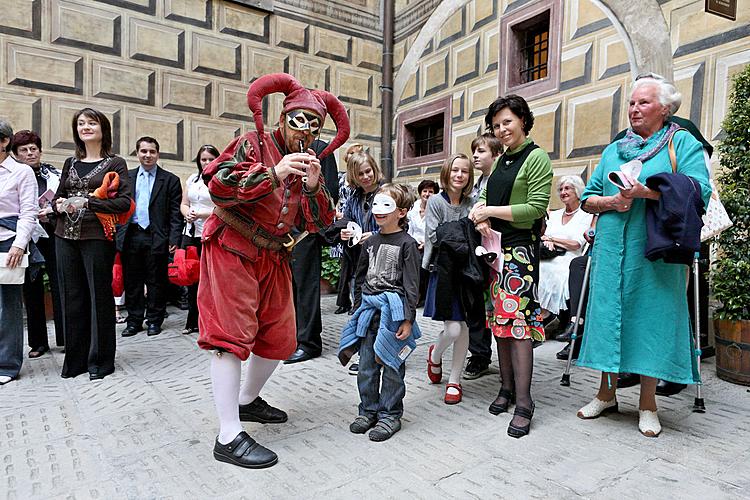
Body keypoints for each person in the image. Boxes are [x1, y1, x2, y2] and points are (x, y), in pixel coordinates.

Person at [197, 73, 345, 468]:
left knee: (281, 337)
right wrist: (275, 173)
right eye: (300, 121)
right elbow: (217, 185)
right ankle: (227, 435)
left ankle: (246, 401)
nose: (306, 133)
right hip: (232, 245)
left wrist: (313, 186)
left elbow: (319, 222)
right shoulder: (251, 142)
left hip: (274, 254)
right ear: (283, 117)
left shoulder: (312, 160)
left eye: (315, 127)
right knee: (230, 336)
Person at [575, 77, 711, 437]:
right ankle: (605, 394)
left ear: (665, 109)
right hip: (610, 247)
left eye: (643, 103)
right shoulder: (614, 149)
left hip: (655, 250)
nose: (634, 109)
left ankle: (648, 403)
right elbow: (587, 196)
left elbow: (700, 191)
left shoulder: (682, 143)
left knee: (650, 321)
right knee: (606, 318)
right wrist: (612, 202)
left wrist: (646, 193)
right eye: (632, 103)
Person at [470, 95, 553, 438]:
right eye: (496, 124)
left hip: (520, 253)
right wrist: (480, 218)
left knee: (517, 324)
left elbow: (535, 208)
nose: (502, 129)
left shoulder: (536, 158)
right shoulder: (501, 162)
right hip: (495, 252)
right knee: (498, 322)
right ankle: (505, 388)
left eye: (507, 122)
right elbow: (485, 198)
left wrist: (489, 213)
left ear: (523, 120)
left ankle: (524, 401)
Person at [53, 108, 132, 380]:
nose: (85, 127)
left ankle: (100, 361)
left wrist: (88, 202)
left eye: (92, 123)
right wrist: (58, 204)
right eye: (81, 123)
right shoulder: (70, 163)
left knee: (99, 297)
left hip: (97, 237)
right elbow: (60, 194)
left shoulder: (115, 163)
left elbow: (124, 202)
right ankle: (75, 362)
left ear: (103, 129)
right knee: (71, 298)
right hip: (65, 236)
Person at [339, 184, 421, 441]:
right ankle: (368, 410)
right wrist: (357, 309)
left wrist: (407, 319)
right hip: (369, 313)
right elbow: (360, 277)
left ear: (401, 212)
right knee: (366, 366)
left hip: (393, 315)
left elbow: (411, 284)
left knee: (392, 366)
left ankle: (390, 415)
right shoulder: (370, 242)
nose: (378, 210)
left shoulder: (407, 244)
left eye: (386, 205)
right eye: (376, 204)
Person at [117, 137, 182, 338]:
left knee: (157, 281)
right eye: (143, 151)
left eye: (152, 151)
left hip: (157, 236)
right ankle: (134, 321)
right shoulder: (126, 178)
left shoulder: (170, 180)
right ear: (137, 153)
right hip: (132, 235)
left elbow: (175, 214)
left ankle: (155, 320)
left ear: (157, 154)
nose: (148, 155)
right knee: (132, 281)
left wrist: (174, 240)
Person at [423, 154, 475, 404]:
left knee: (463, 327)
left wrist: (457, 236)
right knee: (452, 328)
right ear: (447, 172)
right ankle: (435, 354)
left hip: (467, 272)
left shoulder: (473, 203)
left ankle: (455, 380)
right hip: (441, 270)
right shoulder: (435, 201)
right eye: (455, 170)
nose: (459, 175)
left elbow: (474, 236)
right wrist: (463, 233)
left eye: (464, 171)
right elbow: (434, 236)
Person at [286, 138, 340, 363]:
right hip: (280, 233)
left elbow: (331, 192)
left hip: (305, 232)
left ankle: (308, 343)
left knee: (306, 289)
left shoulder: (320, 148)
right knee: (286, 291)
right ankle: (290, 339)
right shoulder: (283, 147)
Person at [12, 130, 64, 357]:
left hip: (54, 234)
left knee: (61, 285)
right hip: (26, 237)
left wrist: (52, 211)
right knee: (31, 289)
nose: (30, 153)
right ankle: (38, 343)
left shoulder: (55, 174)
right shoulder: (10, 175)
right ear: (15, 154)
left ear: (40, 151)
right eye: (24, 149)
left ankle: (66, 338)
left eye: (33, 148)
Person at [0, 121, 38, 385]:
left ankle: (7, 364)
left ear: (4, 142)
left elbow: (29, 212)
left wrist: (19, 244)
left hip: (7, 242)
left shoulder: (21, 172)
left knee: (8, 306)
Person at [464, 133, 502, 380]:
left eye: (481, 151)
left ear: (496, 155)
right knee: (477, 307)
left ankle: (508, 360)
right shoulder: (477, 184)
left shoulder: (500, 181)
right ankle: (479, 355)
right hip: (477, 254)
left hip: (498, 252)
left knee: (499, 307)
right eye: (474, 151)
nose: (475, 156)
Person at [333, 151, 382, 318]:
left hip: (381, 262)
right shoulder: (354, 197)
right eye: (360, 174)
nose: (365, 176)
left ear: (374, 169)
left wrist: (375, 234)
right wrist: (345, 232)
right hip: (358, 260)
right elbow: (348, 219)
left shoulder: (386, 193)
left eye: (368, 171)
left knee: (378, 312)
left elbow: (400, 226)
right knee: (359, 308)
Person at [538, 175, 593, 321]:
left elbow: (576, 243)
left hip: (571, 257)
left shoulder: (586, 214)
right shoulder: (555, 215)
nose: (563, 192)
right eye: (561, 189)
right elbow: (544, 236)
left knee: (556, 270)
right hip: (550, 254)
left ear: (578, 191)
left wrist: (552, 239)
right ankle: (543, 315)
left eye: (567, 188)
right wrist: (548, 240)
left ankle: (552, 315)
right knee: (538, 268)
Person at [179, 144, 219, 335]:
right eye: (204, 159)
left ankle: (211, 322)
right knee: (193, 278)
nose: (207, 163)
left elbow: (224, 210)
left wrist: (202, 214)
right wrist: (187, 214)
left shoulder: (221, 180)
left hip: (212, 235)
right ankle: (192, 321)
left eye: (211, 159)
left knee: (211, 280)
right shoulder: (192, 179)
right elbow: (184, 204)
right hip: (191, 233)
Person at [406, 179, 438, 306]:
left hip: (430, 245)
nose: (427, 194)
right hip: (414, 244)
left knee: (422, 263)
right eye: (425, 191)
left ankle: (421, 295)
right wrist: (413, 242)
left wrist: (426, 243)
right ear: (420, 193)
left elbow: (436, 230)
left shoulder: (436, 208)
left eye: (431, 191)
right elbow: (410, 229)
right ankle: (414, 294)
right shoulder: (413, 208)